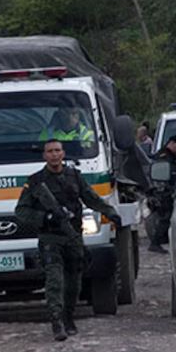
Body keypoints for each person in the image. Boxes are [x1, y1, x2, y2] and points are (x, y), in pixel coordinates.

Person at [15, 139, 121, 341]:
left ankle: (68, 316)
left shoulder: (74, 176)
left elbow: (91, 198)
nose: (54, 155)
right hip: (50, 238)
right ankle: (56, 321)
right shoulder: (36, 182)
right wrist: (44, 217)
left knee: (73, 282)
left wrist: (110, 212)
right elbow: (21, 211)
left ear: (63, 153)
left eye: (57, 151)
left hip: (73, 236)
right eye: (50, 151)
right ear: (44, 156)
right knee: (55, 280)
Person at [147, 135, 176, 254]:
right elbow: (163, 175)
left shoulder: (170, 156)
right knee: (164, 217)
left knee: (165, 217)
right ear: (172, 144)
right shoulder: (164, 157)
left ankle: (160, 240)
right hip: (163, 192)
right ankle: (155, 243)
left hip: (167, 190)